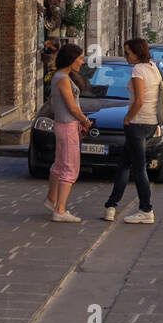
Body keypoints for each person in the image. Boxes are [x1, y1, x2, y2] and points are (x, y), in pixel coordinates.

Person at [103, 38, 160, 224]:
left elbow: (139, 100)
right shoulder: (153, 68)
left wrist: (127, 118)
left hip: (138, 123)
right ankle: (111, 206)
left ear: (137, 53)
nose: (126, 56)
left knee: (138, 167)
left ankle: (146, 209)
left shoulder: (138, 70)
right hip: (151, 122)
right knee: (124, 165)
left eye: (128, 53)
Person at [46, 43, 93, 223]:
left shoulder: (62, 76)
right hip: (67, 126)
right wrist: (85, 121)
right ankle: (60, 209)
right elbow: (72, 107)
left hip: (65, 125)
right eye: (79, 58)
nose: (81, 62)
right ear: (71, 59)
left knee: (59, 164)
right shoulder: (63, 79)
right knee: (70, 168)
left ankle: (52, 200)